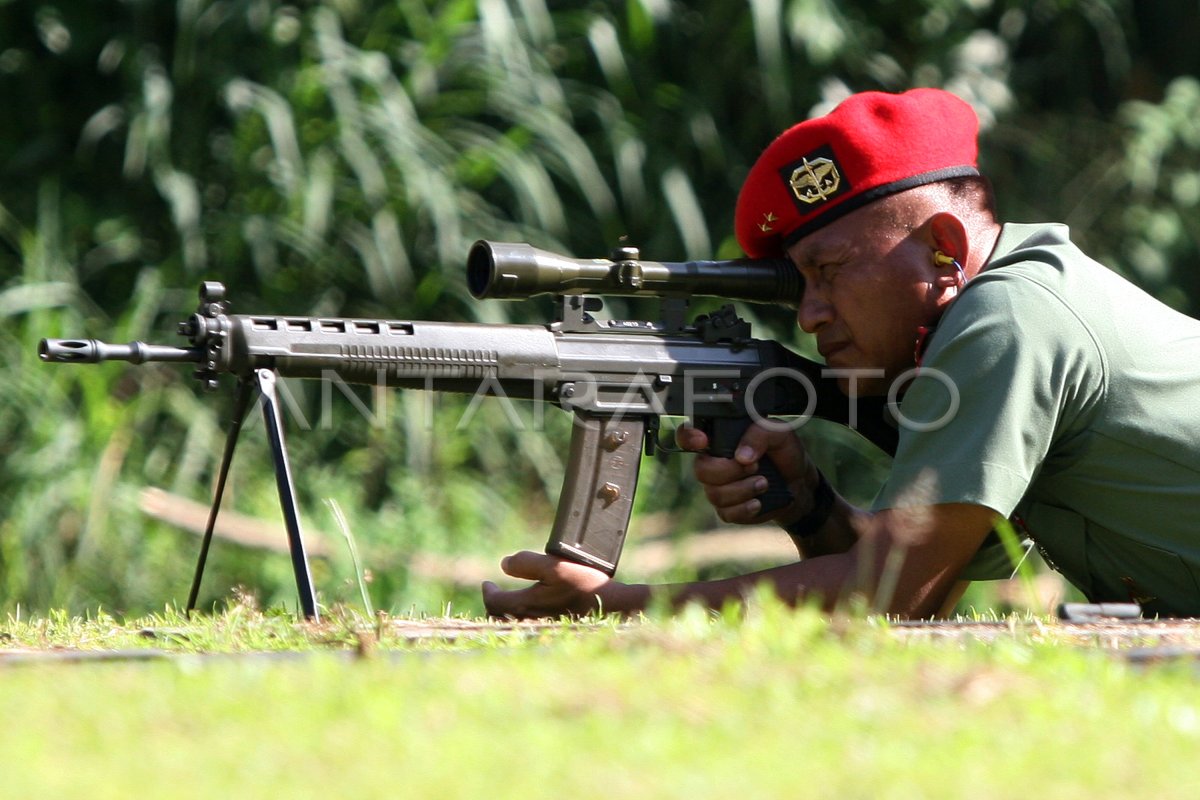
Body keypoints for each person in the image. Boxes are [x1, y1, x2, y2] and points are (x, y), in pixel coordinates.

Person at [482, 88, 1200, 620]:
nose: (810, 313)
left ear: (944, 249)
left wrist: (623, 604)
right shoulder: (1013, 304)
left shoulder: (1009, 321)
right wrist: (808, 505)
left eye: (829, 273)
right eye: (796, 285)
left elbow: (892, 595)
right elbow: (928, 578)